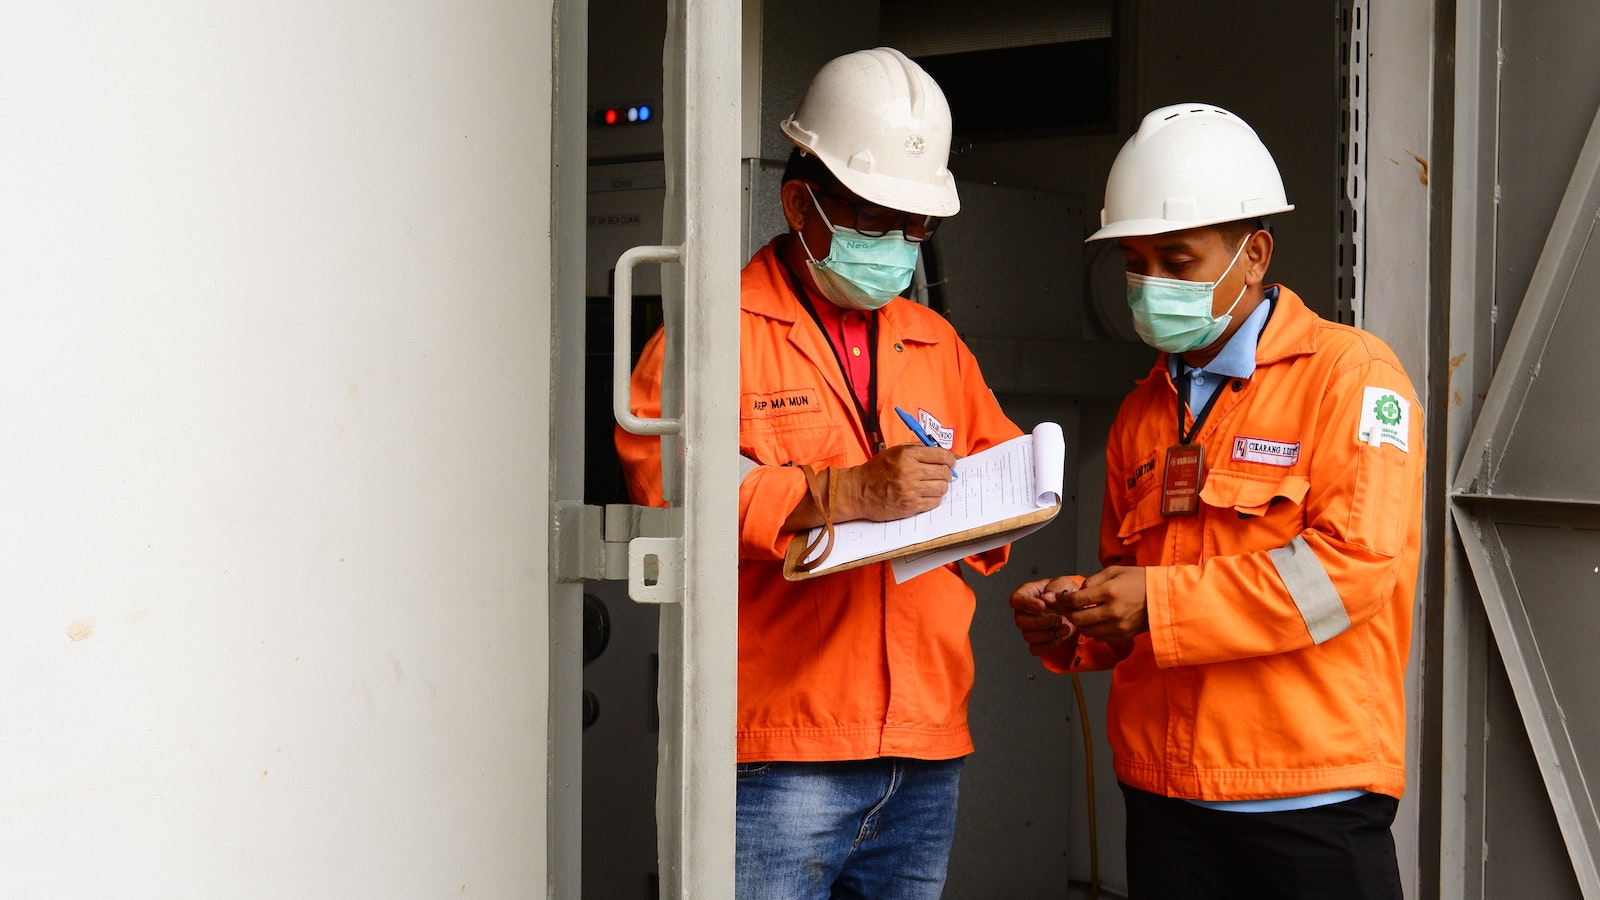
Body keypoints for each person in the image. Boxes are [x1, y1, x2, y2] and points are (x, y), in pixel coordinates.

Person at [616, 47, 1022, 899]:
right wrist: (844, 492)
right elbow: (676, 492)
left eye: (916, 229)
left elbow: (997, 474)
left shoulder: (932, 341)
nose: (899, 247)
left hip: (923, 746)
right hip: (778, 752)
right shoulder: (709, 338)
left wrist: (1005, 511)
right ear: (801, 202)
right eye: (875, 221)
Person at [1009, 103, 1424, 899]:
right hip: (1167, 797)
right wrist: (1076, 618)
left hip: (1308, 797)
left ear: (1254, 254)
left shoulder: (1352, 377)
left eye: (1177, 259)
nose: (1151, 284)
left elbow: (1350, 573)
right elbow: (1133, 582)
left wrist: (1154, 603)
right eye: (1135, 263)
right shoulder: (1143, 410)